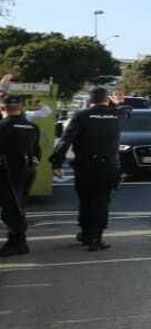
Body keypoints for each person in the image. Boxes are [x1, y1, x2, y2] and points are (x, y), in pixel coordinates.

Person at [49, 87, 123, 251]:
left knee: (86, 200)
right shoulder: (118, 115)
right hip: (108, 165)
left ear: (90, 100)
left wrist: (57, 163)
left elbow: (65, 140)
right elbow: (127, 109)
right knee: (102, 200)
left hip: (85, 165)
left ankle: (87, 233)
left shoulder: (81, 116)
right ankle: (97, 237)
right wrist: (115, 104)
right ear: (107, 99)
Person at [1, 93, 42, 257]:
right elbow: (37, 152)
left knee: (10, 209)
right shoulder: (32, 127)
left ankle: (18, 243)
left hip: (7, 172)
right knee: (19, 205)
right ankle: (17, 241)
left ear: (3, 108)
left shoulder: (2, 126)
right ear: (22, 108)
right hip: (27, 171)